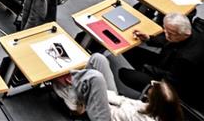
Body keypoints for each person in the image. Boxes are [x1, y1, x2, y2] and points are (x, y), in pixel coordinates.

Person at [52, 52, 183, 121]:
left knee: (95, 77)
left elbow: (114, 110)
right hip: (115, 104)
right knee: (99, 59)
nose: (151, 85)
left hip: (106, 116)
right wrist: (100, 91)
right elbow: (123, 100)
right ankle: (76, 84)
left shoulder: (140, 118)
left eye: (154, 87)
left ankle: (74, 100)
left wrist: (93, 94)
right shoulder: (158, 110)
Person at [119, 13, 204, 110]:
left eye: (169, 33)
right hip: (167, 63)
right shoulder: (187, 32)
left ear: (184, 33)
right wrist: (149, 38)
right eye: (165, 30)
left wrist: (147, 68)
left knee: (124, 74)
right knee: (129, 50)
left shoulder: (187, 58)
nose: (166, 35)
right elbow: (168, 40)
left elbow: (169, 78)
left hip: (175, 88)